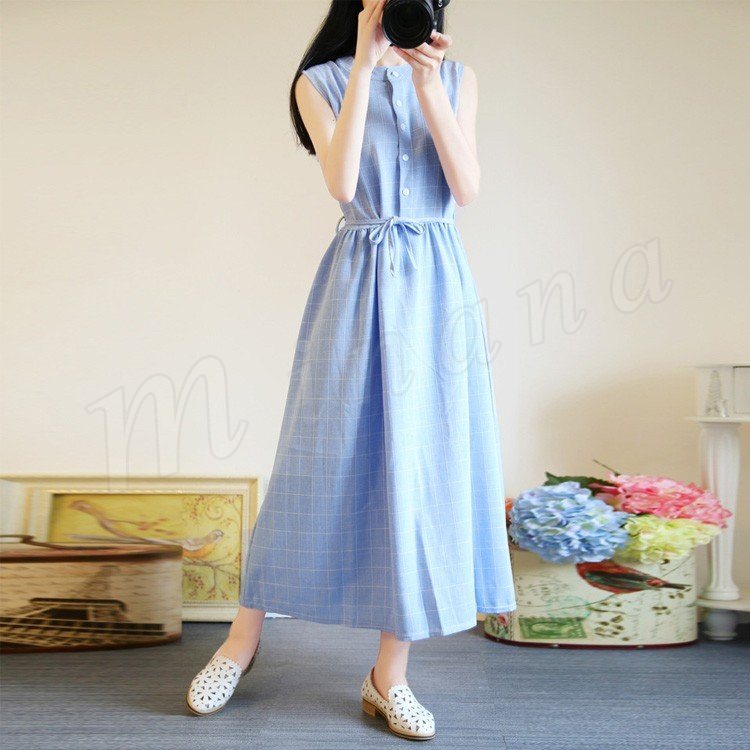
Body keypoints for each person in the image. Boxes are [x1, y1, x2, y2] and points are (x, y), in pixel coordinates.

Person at [185, 0, 515, 740]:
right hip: (359, 275)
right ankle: (240, 643)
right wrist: (366, 65)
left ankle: (388, 676)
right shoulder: (322, 79)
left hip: (437, 284)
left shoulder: (457, 78)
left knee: (420, 469)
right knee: (314, 458)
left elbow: (465, 189)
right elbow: (340, 183)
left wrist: (426, 83)